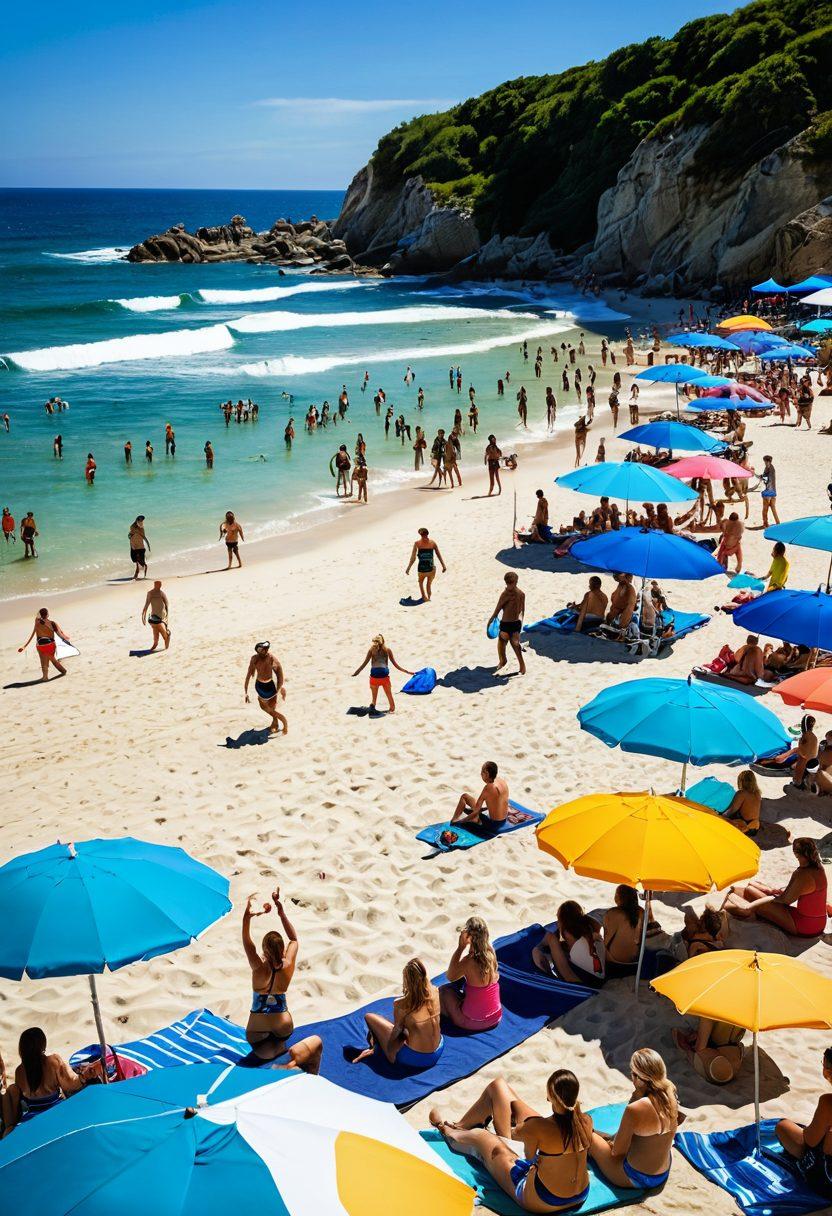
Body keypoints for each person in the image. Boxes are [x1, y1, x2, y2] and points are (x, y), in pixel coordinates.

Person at [430, 1069, 594, 1213]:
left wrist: (517, 1126)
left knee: (483, 1137)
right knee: (499, 1087)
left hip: (544, 1199)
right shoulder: (586, 1120)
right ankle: (463, 1124)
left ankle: (447, 1130)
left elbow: (527, 1155)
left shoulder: (538, 1127)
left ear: (550, 1097)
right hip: (580, 1194)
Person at [242, 889, 322, 1071]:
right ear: (281, 949)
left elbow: (247, 942)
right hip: (283, 1029)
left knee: (261, 1051)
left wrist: (247, 918)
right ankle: (282, 1058)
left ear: (264, 949)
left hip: (257, 1033)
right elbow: (294, 939)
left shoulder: (258, 967)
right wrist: (280, 911)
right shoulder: (288, 965)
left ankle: (272, 1062)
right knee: (280, 1046)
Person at [588, 1048, 680, 1189]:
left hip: (636, 1176)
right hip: (661, 1174)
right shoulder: (670, 1094)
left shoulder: (636, 1109)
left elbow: (617, 1152)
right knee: (609, 1136)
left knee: (588, 1137)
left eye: (632, 1074)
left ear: (638, 1078)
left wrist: (634, 1099)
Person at [725, 837, 828, 936]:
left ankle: (734, 899)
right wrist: (771, 892)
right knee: (752, 889)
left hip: (805, 925)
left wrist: (768, 895)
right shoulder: (818, 868)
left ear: (796, 854)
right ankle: (736, 893)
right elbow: (798, 892)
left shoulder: (802, 874)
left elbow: (786, 900)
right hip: (819, 923)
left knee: (750, 891)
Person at [352, 959, 443, 1071]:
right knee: (410, 1029)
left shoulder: (401, 1004)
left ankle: (374, 1048)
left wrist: (388, 1051)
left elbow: (396, 1032)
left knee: (369, 1017)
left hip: (417, 1059)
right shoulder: (436, 992)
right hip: (438, 1050)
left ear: (407, 981)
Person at [775, 1046, 832, 1201]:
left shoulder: (828, 1103)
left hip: (826, 1184)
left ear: (827, 1072)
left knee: (783, 1126)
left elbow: (810, 1140)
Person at [3, 1028, 83, 1130]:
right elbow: (70, 1084)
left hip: (31, 1120)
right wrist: (83, 1077)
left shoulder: (19, 1071)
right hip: (56, 1113)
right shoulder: (53, 1061)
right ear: (43, 1045)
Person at [439, 917, 503, 1031]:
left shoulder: (468, 962)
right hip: (495, 1018)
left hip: (474, 1022)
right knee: (466, 987)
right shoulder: (491, 954)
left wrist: (460, 947)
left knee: (443, 991)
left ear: (468, 936)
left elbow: (450, 977)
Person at [532, 901, 606, 987]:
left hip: (583, 983)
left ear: (563, 922)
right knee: (560, 949)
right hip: (600, 980)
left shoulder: (568, 934)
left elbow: (551, 941)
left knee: (544, 943)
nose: (557, 924)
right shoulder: (591, 930)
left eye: (558, 920)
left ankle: (550, 978)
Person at [673, 1012, 745, 1085]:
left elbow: (708, 1014)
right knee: (720, 1071)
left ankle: (695, 1050)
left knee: (720, 1072)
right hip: (731, 1044)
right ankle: (697, 1048)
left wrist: (700, 1044)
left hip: (719, 1042)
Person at [352, 634, 414, 713]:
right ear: (383, 641)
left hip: (374, 676)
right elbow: (395, 665)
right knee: (389, 694)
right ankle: (391, 707)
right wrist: (407, 671)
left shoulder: (371, 650)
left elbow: (364, 664)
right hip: (384, 676)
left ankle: (373, 704)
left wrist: (356, 673)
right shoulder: (387, 650)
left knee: (374, 692)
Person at [244, 640, 287, 734]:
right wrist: (246, 692)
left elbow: (279, 672)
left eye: (266, 649)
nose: (265, 651)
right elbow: (249, 674)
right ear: (259, 650)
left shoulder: (271, 658)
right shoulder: (254, 659)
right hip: (259, 686)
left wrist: (279, 689)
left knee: (272, 707)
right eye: (263, 649)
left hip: (270, 687)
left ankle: (279, 723)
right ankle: (276, 721)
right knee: (263, 707)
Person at [451, 760, 509, 828]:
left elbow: (475, 812)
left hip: (493, 824)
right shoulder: (501, 781)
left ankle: (454, 820)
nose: (481, 774)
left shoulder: (488, 788)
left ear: (487, 774)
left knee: (464, 797)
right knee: (475, 806)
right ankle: (475, 817)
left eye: (482, 771)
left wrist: (461, 821)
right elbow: (499, 801)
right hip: (504, 819)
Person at [602, 885, 645, 977]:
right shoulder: (642, 912)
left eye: (616, 894)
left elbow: (605, 943)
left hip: (615, 965)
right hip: (636, 964)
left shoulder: (613, 913)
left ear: (619, 897)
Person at [18, 607, 70, 681]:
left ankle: (45, 677)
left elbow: (32, 635)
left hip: (41, 646)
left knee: (43, 662)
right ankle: (63, 671)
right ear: (47, 614)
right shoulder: (52, 623)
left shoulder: (37, 623)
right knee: (53, 659)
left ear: (40, 615)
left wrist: (24, 646)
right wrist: (65, 639)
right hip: (51, 645)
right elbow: (59, 634)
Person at [489, 572, 526, 675]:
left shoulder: (521, 594)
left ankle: (522, 666)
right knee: (502, 641)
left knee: (515, 644)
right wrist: (491, 619)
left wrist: (521, 623)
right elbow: (498, 608)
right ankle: (503, 660)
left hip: (515, 624)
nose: (509, 586)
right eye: (507, 583)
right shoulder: (504, 594)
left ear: (516, 582)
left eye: (511, 583)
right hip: (505, 623)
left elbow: (522, 610)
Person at [406, 527, 446, 602]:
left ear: (420, 534)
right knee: (429, 584)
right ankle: (429, 597)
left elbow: (413, 558)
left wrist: (408, 568)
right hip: (431, 569)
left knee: (420, 582)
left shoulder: (417, 543)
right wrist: (443, 566)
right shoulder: (433, 543)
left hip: (421, 569)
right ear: (427, 533)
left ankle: (424, 597)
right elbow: (438, 555)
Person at [723, 770, 761, 835]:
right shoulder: (757, 793)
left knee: (721, 816)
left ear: (741, 781)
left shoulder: (742, 793)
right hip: (754, 828)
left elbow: (731, 810)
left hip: (743, 827)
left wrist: (720, 815)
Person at [141, 580, 170, 651]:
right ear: (154, 585)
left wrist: (167, 615)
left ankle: (165, 637)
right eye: (158, 584)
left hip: (162, 615)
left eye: (160, 584)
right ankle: (156, 642)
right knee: (155, 627)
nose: (160, 585)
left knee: (158, 627)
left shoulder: (162, 593)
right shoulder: (150, 593)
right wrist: (143, 616)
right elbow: (146, 605)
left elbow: (167, 604)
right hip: (154, 615)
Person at [760, 455, 780, 525]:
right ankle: (778, 522)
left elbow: (766, 480)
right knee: (773, 508)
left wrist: (760, 477)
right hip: (773, 491)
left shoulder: (767, 469)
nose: (764, 463)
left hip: (768, 491)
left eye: (765, 461)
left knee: (765, 509)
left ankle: (765, 523)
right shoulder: (772, 468)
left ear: (767, 461)